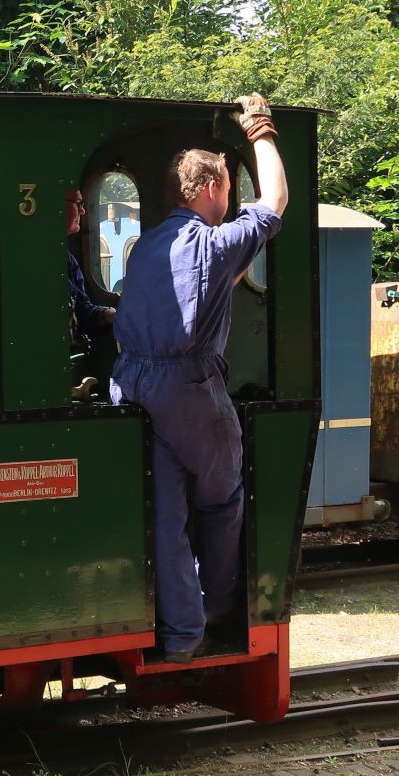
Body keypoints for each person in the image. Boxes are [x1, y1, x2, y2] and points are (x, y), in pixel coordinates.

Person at [109, 95, 287, 664]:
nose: (231, 200)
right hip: (187, 387)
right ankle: (222, 606)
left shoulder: (145, 247)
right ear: (211, 188)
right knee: (224, 495)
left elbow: (189, 295)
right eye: (228, 191)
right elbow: (277, 202)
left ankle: (182, 636)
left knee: (166, 515)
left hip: (132, 384)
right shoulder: (216, 240)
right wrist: (260, 129)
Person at [66, 188, 115, 335]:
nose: (83, 212)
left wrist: (108, 314)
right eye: (78, 204)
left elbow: (82, 309)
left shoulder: (68, 260)